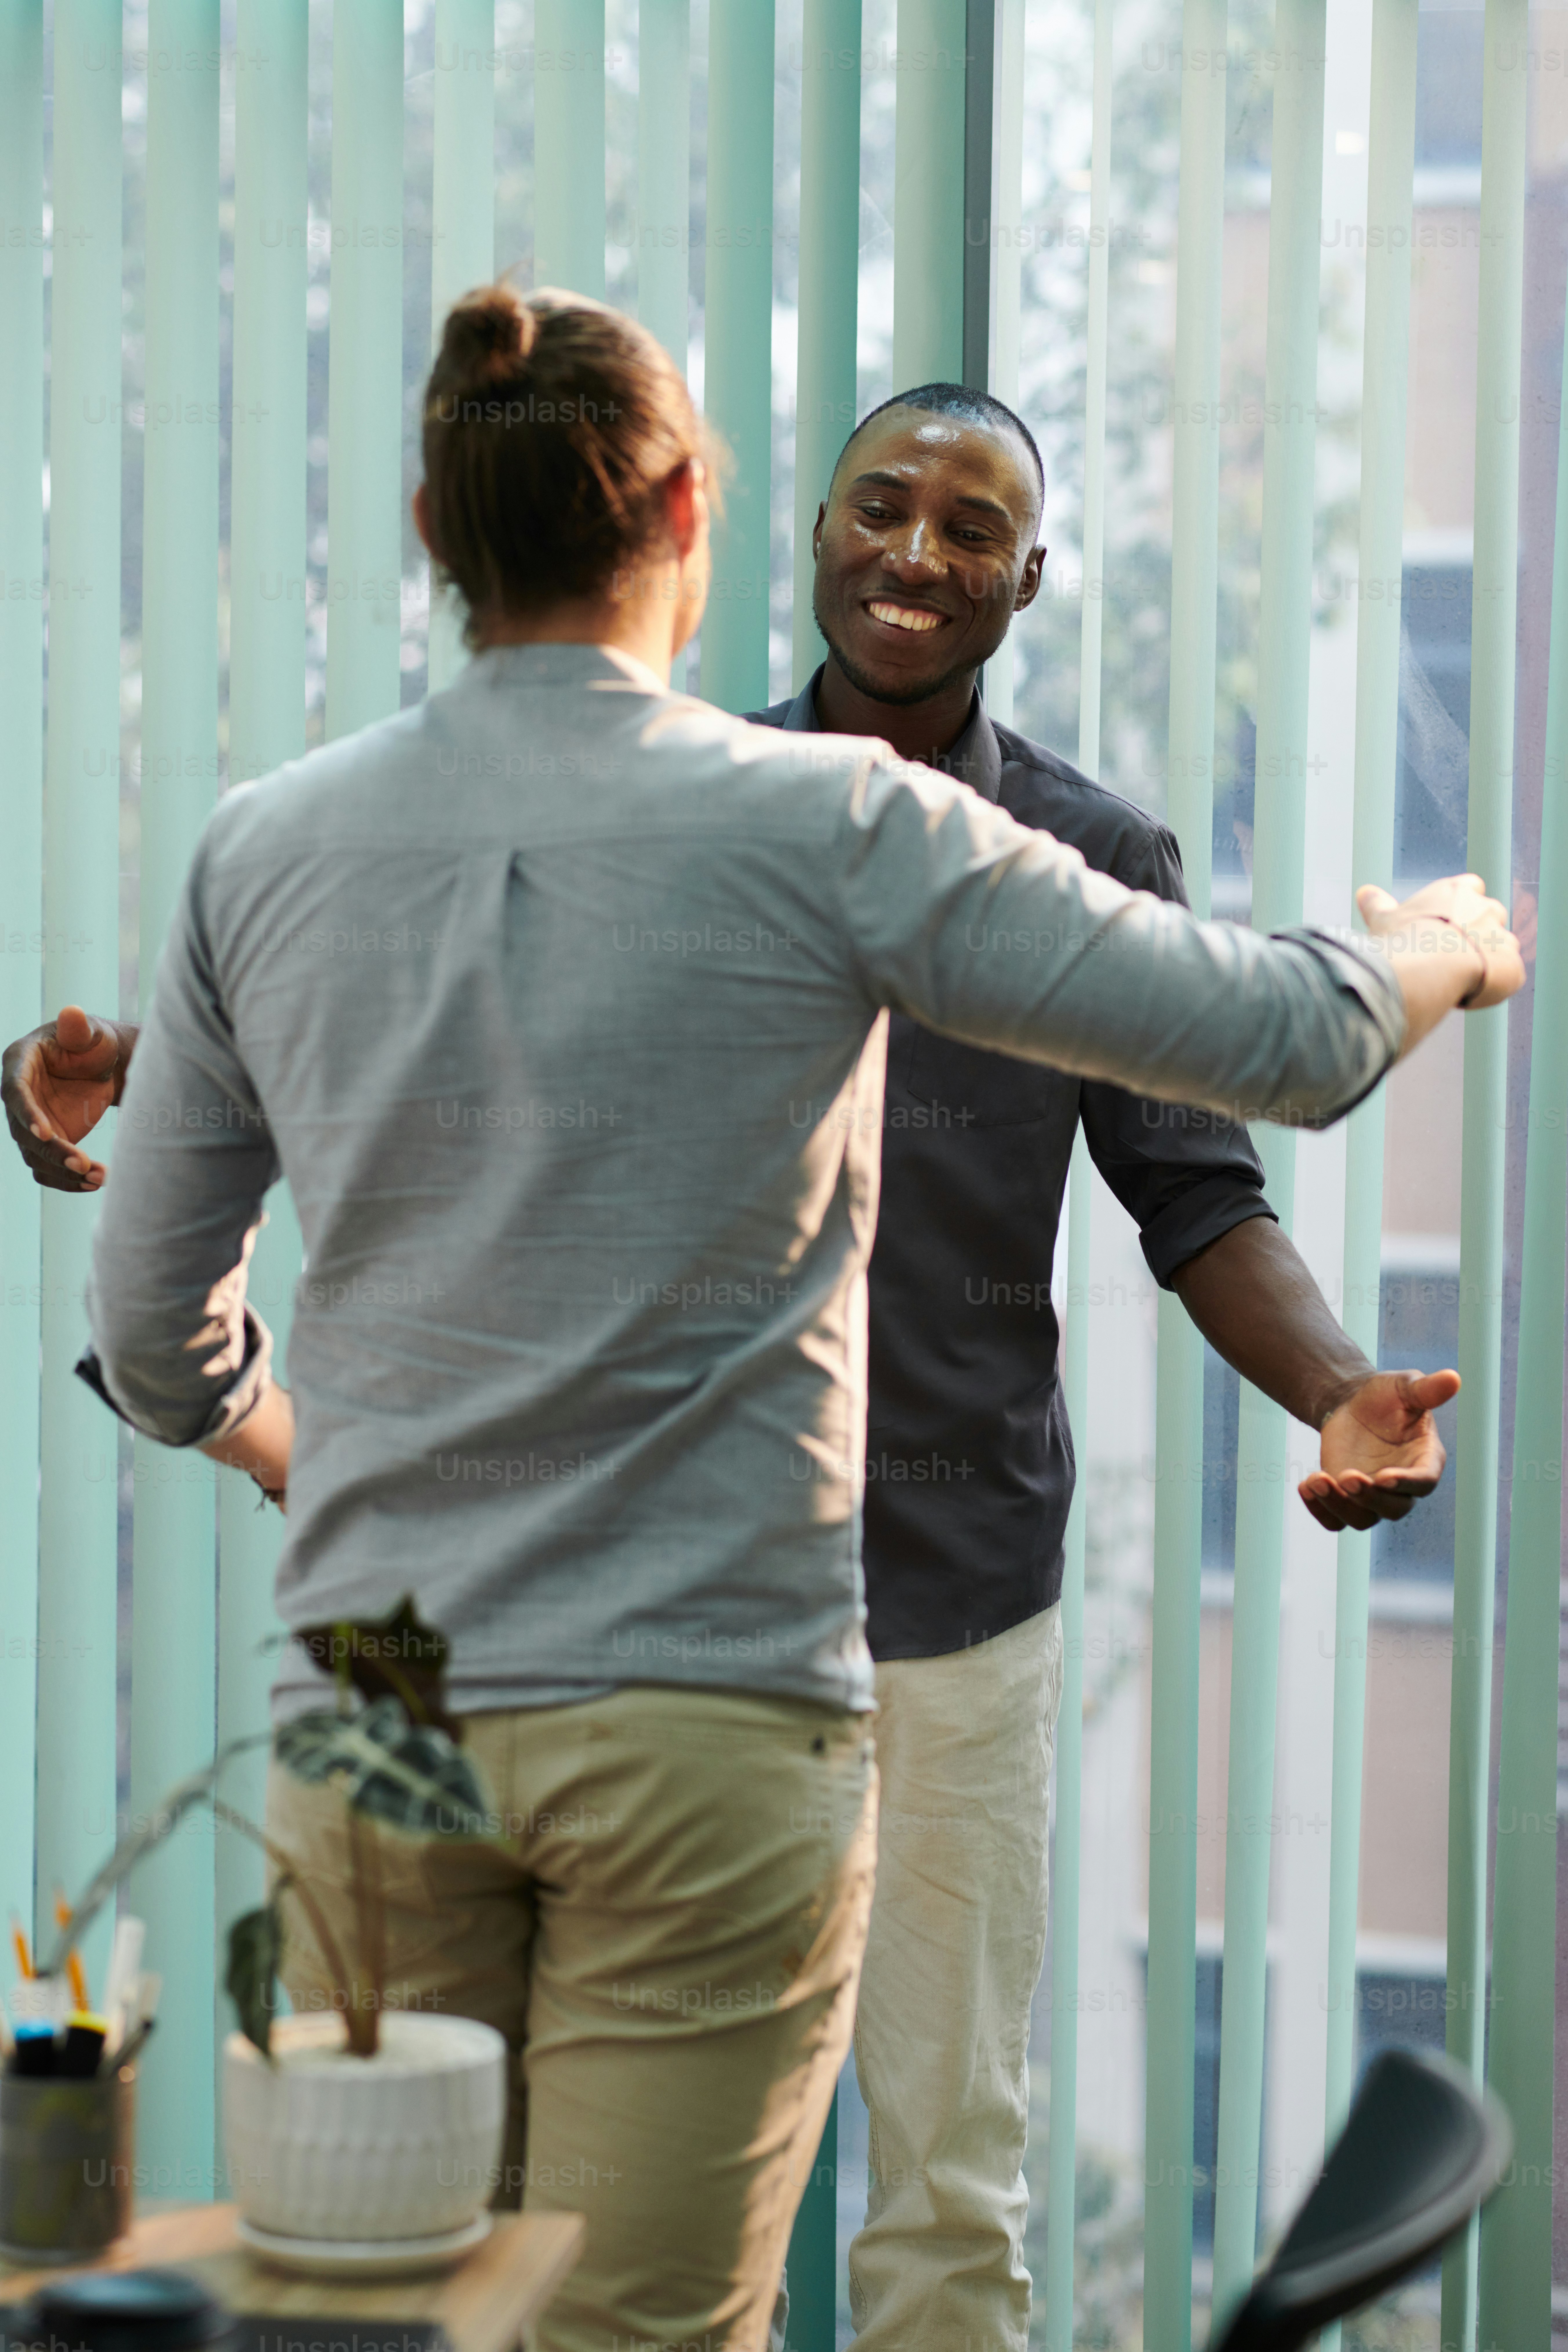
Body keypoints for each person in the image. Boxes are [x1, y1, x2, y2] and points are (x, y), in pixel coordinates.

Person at [1, 290, 1518, 2352]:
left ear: (436, 519)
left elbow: (166, 1348)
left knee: (395, 2311)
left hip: (393, 1680)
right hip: (710, 1702)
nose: (913, 556)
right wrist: (1430, 944)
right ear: (716, 515)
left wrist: (314, 1401)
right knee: (623, 2326)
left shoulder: (265, 847)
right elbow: (1297, 1037)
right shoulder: (820, 829)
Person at [735, 384, 1470, 2352]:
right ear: (811, 532)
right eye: (879, 508)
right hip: (689, 1609)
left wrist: (1330, 1383)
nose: (915, 552)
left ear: (1027, 579)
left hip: (959, 1618)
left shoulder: (1092, 850)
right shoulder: (689, 801)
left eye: (968, 528)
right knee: (653, 2194)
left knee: (948, 2183)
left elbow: (1195, 1189)